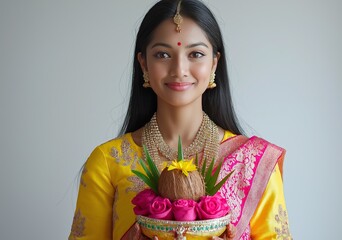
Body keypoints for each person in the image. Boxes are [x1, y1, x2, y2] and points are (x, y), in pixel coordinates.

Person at [68, 0, 292, 239]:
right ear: (143, 62)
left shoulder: (253, 162)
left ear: (214, 63)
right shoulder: (107, 162)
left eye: (196, 54)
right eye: (163, 54)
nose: (179, 69)